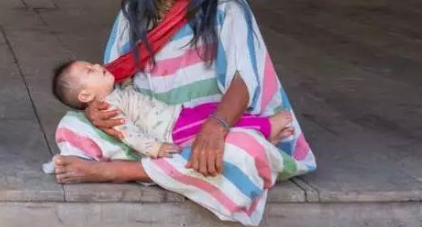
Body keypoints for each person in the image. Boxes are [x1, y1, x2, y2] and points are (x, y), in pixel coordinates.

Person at [52, 0, 315, 226]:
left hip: (219, 123)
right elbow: (113, 78)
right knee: (72, 126)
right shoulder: (134, 11)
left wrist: (216, 127)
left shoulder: (226, 6)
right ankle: (176, 169)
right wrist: (96, 110)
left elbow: (245, 79)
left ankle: (120, 171)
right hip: (151, 128)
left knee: (242, 153)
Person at [50, 59, 293, 159]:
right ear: (85, 95)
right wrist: (155, 148)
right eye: (89, 71)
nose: (96, 65)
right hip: (171, 130)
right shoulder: (107, 109)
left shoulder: (116, 95)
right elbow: (128, 133)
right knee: (218, 123)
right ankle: (268, 127)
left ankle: (262, 129)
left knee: (215, 108)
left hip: (177, 114)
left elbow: (132, 97)